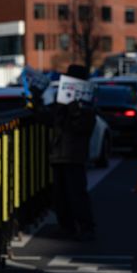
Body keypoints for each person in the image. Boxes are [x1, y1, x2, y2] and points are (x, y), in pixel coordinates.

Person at [49, 64, 97, 241]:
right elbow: (51, 121)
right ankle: (67, 226)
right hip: (60, 154)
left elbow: (83, 128)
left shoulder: (86, 105)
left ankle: (85, 227)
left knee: (76, 193)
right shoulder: (61, 103)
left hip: (73, 155)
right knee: (60, 195)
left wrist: (74, 110)